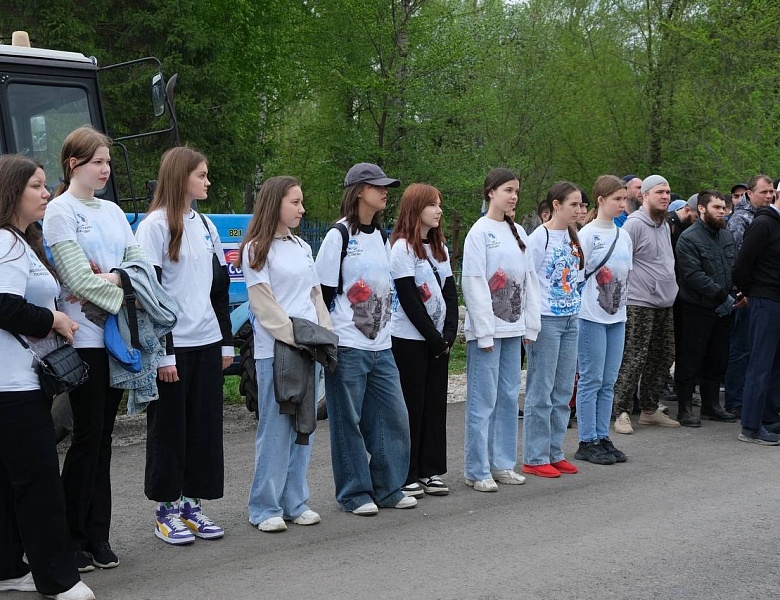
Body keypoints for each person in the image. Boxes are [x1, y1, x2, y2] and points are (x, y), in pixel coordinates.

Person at [43, 126, 149, 571]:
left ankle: (97, 535)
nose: (106, 169)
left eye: (107, 161)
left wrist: (118, 279)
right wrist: (121, 283)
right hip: (83, 341)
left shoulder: (113, 211)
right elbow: (73, 278)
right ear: (73, 164)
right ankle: (70, 537)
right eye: (98, 162)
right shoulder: (60, 212)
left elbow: (141, 267)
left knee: (104, 439)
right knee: (86, 439)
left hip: (116, 340)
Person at [0, 155, 96, 600]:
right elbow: (4, 306)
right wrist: (54, 319)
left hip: (18, 384)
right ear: (11, 191)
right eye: (37, 186)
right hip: (12, 387)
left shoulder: (20, 241)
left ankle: (7, 567)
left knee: (12, 483)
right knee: (39, 485)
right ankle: (57, 580)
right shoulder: (5, 242)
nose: (45, 193)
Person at [134, 147, 231, 544]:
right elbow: (150, 295)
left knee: (205, 428)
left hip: (208, 342)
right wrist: (164, 353)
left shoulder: (206, 224)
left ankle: (193, 508)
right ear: (180, 177)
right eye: (201, 175)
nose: (207, 182)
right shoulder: (155, 226)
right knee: (169, 430)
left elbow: (219, 288)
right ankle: (165, 512)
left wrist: (225, 343)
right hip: (175, 348)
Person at [314, 163, 416, 515]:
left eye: (387, 185)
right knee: (348, 423)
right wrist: (330, 341)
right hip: (349, 346)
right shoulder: (338, 236)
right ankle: (355, 493)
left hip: (382, 346)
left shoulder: (382, 236)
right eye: (378, 186)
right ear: (359, 191)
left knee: (393, 418)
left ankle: (388, 488)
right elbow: (323, 295)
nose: (386, 191)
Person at [238, 176, 333, 530]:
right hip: (275, 351)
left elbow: (315, 297)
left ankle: (296, 501)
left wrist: (324, 335)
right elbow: (265, 306)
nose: (302, 209)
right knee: (276, 428)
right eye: (295, 202)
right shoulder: (256, 249)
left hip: (308, 349)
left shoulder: (302, 246)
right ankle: (264, 508)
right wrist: (299, 338)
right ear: (275, 202)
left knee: (304, 427)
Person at [461, 168, 540, 491]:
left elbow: (530, 281)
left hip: (512, 330)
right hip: (488, 333)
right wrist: (484, 330)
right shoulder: (479, 233)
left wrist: (530, 324)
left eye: (517, 191)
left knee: (508, 396)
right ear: (491, 192)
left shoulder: (518, 231)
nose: (513, 197)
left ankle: (503, 462)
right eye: (508, 190)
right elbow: (474, 281)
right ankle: (477, 469)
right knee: (483, 400)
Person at [390, 184, 458, 497]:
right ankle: (408, 472)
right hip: (410, 341)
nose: (439, 211)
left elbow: (449, 293)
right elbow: (408, 299)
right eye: (433, 205)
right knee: (412, 406)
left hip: (437, 343)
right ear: (416, 209)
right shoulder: (402, 248)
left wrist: (448, 335)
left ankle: (430, 469)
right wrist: (433, 338)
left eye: (440, 205)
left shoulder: (438, 248)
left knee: (434, 406)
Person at [523, 181, 583, 477]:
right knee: (541, 390)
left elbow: (578, 275)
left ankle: (554, 450)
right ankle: (534, 457)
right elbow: (528, 280)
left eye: (581, 205)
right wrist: (530, 323)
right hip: (546, 320)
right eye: (573, 204)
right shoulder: (539, 237)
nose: (579, 210)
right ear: (556, 205)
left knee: (562, 389)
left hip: (571, 318)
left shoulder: (574, 236)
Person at [612, 175, 680, 433]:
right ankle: (621, 411)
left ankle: (650, 410)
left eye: (668, 192)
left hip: (664, 301)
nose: (665, 196)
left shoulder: (663, 224)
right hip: (639, 302)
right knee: (634, 357)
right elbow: (622, 264)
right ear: (645, 196)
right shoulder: (634, 225)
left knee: (664, 355)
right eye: (660, 191)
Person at [574, 175, 633, 465]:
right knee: (591, 379)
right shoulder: (586, 235)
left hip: (617, 316)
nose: (622, 204)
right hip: (591, 316)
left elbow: (627, 275)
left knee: (609, 380)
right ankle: (587, 440)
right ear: (601, 201)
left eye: (624, 199)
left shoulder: (624, 235)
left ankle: (602, 435)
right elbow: (575, 276)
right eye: (617, 199)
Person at [673, 191, 740, 427]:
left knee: (717, 358)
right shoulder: (689, 238)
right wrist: (722, 295)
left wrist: (734, 293)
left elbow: (733, 266)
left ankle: (712, 406)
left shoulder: (725, 235)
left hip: (724, 308)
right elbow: (692, 275)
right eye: (717, 207)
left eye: (724, 208)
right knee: (690, 359)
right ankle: (684, 409)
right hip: (697, 308)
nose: (722, 211)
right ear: (702, 209)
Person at [724, 175, 775, 417]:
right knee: (744, 349)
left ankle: (760, 407)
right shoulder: (745, 220)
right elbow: (739, 260)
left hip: (761, 293)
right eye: (763, 192)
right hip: (748, 294)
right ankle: (735, 400)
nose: (768, 195)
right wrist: (743, 290)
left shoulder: (767, 219)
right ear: (750, 193)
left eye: (770, 191)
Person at [732, 187, 780, 445]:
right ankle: (750, 426)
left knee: (775, 363)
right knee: (760, 363)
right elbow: (742, 264)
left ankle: (769, 416)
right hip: (764, 299)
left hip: (775, 300)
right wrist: (748, 292)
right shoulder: (763, 224)